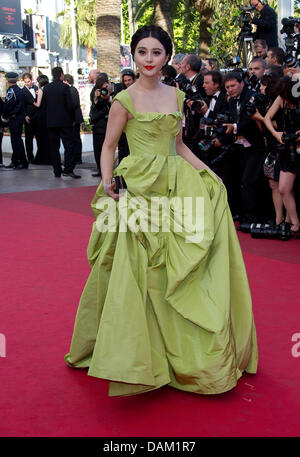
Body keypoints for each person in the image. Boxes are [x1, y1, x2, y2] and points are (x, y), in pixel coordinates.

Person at [65, 25, 258, 397]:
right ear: (133, 56)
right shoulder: (123, 99)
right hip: (136, 186)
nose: (149, 59)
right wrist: (108, 182)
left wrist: (209, 172)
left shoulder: (177, 95)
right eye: (142, 52)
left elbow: (180, 147)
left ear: (167, 56)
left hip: (175, 186)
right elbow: (108, 146)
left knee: (176, 268)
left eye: (156, 52)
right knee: (138, 267)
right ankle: (137, 353)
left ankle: (174, 356)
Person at [264, 76, 300, 237]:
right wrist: (276, 134)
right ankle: (294, 222)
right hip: (288, 148)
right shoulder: (282, 98)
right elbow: (267, 118)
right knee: (284, 188)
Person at [43, 67, 80, 178]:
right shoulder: (64, 87)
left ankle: (57, 170)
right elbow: (69, 105)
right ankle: (68, 169)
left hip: (51, 122)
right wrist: (73, 119)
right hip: (65, 122)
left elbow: (44, 106)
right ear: (61, 75)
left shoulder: (46, 88)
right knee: (69, 145)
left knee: (54, 147)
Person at [2, 72, 28, 169]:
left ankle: (22, 161)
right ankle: (15, 160)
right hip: (19, 117)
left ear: (8, 80)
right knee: (17, 140)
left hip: (14, 118)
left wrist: (4, 115)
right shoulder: (19, 90)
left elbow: (8, 105)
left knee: (16, 141)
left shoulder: (11, 91)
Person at [89, 74, 112, 177]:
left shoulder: (112, 96)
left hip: (106, 127)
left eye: (106, 87)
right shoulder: (96, 95)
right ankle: (100, 169)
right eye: (102, 88)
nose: (104, 90)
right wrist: (96, 99)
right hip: (97, 127)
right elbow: (95, 109)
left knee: (105, 151)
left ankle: (107, 171)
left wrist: (109, 96)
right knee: (97, 150)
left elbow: (107, 109)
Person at [63, 74, 84, 165]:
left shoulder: (72, 90)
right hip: (74, 118)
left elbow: (73, 104)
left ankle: (77, 158)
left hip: (74, 118)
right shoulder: (72, 89)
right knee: (74, 138)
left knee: (75, 139)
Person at [32, 74, 52, 165]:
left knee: (40, 138)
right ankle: (48, 157)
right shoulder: (49, 90)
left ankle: (41, 158)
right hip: (47, 116)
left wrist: (31, 100)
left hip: (40, 116)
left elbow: (38, 104)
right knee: (47, 138)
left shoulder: (40, 90)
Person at [22, 73, 40, 163]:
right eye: (26, 82)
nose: (27, 83)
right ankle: (30, 157)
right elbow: (22, 106)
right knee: (28, 139)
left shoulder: (37, 88)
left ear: (31, 80)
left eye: (28, 81)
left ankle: (39, 156)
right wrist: (25, 115)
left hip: (37, 117)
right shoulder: (22, 91)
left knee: (39, 137)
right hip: (28, 118)